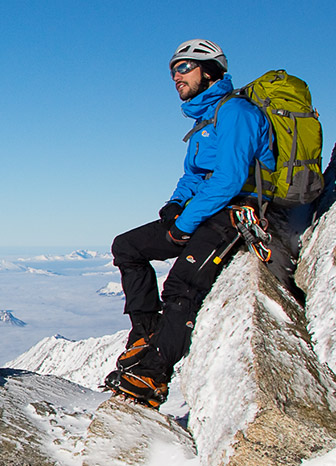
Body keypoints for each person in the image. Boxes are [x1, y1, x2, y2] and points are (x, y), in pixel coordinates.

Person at [103, 39, 275, 407]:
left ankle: (154, 376)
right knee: (127, 246)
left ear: (210, 71)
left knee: (181, 285)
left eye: (184, 68)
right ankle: (145, 334)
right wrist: (175, 204)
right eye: (172, 70)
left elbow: (229, 179)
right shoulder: (205, 120)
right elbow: (194, 174)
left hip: (237, 211)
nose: (175, 76)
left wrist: (184, 225)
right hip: (204, 209)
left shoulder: (236, 113)